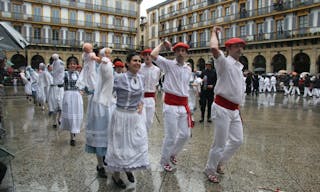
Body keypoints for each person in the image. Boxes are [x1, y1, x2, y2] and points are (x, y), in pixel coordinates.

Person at [204, 27, 246, 183]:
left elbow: (238, 90)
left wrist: (239, 107)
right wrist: (214, 32)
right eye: (236, 46)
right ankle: (210, 169)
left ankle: (220, 161)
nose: (240, 49)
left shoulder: (239, 67)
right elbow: (214, 48)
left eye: (241, 46)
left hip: (234, 110)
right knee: (220, 142)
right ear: (228, 48)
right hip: (222, 107)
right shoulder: (224, 63)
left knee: (237, 140)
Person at [105, 52, 149, 189]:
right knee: (119, 146)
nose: (137, 63)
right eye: (134, 60)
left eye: (139, 61)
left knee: (134, 144)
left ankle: (128, 167)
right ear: (128, 63)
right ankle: (116, 176)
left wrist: (141, 104)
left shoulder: (141, 78)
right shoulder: (119, 78)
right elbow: (107, 92)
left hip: (134, 117)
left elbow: (141, 96)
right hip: (121, 116)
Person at [151, 41, 193, 172]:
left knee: (185, 134)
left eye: (183, 51)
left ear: (186, 53)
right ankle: (164, 161)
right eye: (178, 50)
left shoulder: (188, 68)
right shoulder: (168, 64)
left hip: (183, 105)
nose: (181, 53)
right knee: (171, 136)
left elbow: (185, 87)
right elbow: (153, 55)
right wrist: (162, 45)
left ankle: (173, 153)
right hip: (171, 105)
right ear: (175, 53)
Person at [84, 47, 114, 178]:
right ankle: (100, 165)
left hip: (109, 104)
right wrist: (94, 57)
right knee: (98, 135)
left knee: (108, 135)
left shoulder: (108, 66)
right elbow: (87, 55)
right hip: (97, 105)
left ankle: (105, 159)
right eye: (106, 53)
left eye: (109, 54)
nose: (108, 56)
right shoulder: (93, 67)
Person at [60, 58, 83, 146]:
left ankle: (73, 137)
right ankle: (71, 135)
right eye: (71, 64)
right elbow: (59, 80)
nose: (73, 65)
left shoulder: (78, 74)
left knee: (76, 116)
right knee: (70, 116)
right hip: (68, 95)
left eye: (74, 64)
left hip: (77, 96)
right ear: (68, 65)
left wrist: (81, 90)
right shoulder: (65, 74)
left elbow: (81, 84)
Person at [139, 48, 161, 131]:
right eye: (145, 55)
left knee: (149, 121)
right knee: (141, 120)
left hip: (151, 98)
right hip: (141, 98)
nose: (147, 57)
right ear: (143, 57)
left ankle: (145, 138)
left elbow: (155, 85)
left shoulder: (157, 70)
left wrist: (155, 99)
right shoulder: (140, 67)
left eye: (149, 55)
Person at [48, 53, 65, 128]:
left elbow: (62, 75)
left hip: (60, 88)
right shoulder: (51, 70)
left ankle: (59, 118)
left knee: (61, 106)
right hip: (54, 89)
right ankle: (54, 121)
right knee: (55, 106)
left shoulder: (61, 64)